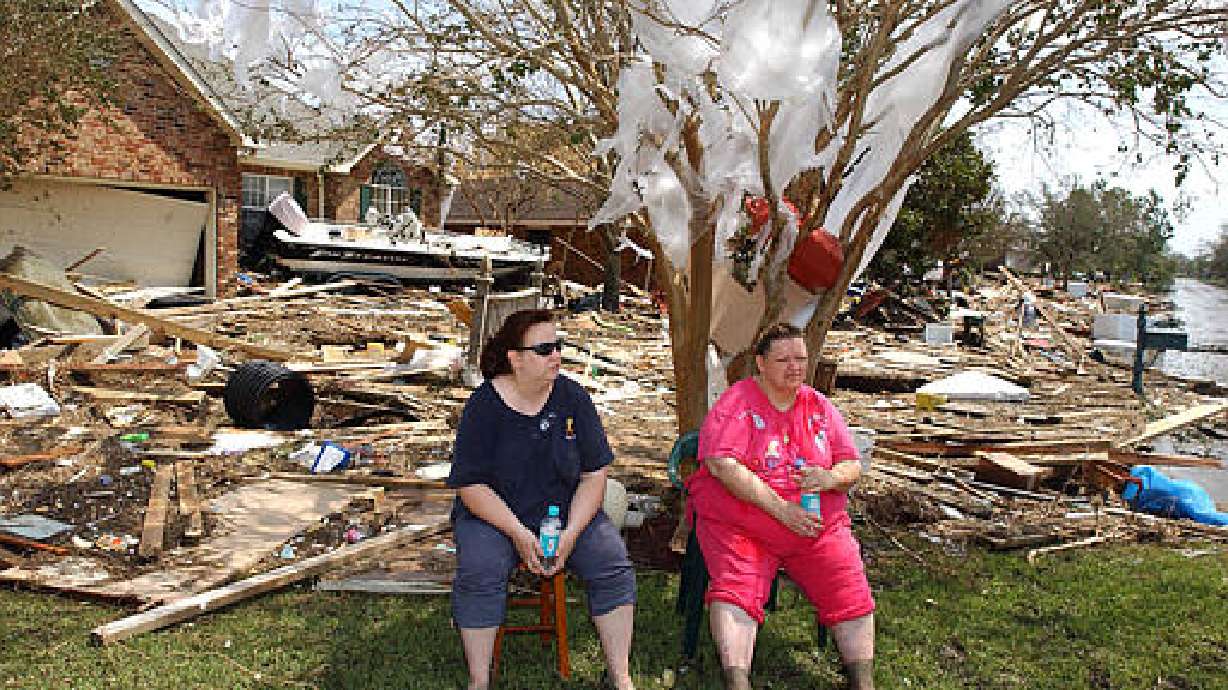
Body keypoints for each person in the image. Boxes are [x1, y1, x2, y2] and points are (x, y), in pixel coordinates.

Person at [447, 308, 637, 690]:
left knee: (611, 561)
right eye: (544, 349)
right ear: (515, 359)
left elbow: (594, 474)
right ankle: (479, 681)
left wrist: (571, 533)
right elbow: (471, 485)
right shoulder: (484, 405)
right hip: (494, 516)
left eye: (558, 346)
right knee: (480, 568)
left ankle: (620, 676)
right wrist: (518, 533)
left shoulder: (573, 398)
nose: (556, 356)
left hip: (563, 512)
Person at [687, 323, 876, 690]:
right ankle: (737, 681)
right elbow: (721, 464)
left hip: (814, 525)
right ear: (760, 363)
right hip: (744, 523)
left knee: (846, 582)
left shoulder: (817, 405)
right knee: (737, 589)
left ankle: (862, 680)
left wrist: (830, 478)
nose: (795, 367)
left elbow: (852, 463)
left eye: (801, 359)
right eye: (784, 360)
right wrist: (780, 510)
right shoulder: (737, 403)